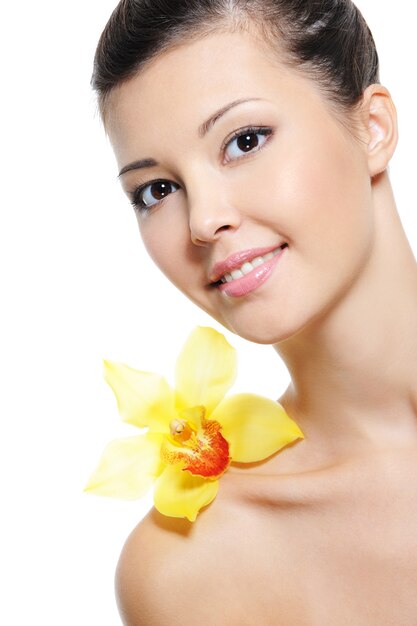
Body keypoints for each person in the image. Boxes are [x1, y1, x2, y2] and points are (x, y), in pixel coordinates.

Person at [91, 1, 417, 623]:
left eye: (244, 141)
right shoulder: (191, 568)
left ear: (372, 127)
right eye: (157, 189)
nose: (203, 220)